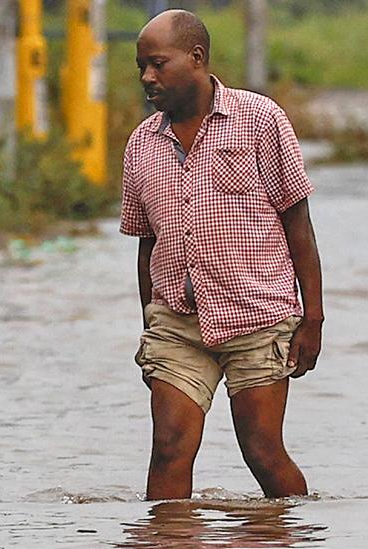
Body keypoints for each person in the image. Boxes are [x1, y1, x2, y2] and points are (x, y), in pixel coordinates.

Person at [119, 9, 324, 501]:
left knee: (262, 451)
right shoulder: (141, 146)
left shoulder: (261, 120)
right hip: (178, 324)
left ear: (196, 59)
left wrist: (313, 318)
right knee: (168, 448)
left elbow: (298, 224)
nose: (148, 78)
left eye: (158, 64)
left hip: (259, 317)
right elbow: (147, 243)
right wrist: (151, 324)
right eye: (142, 67)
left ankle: (294, 530)